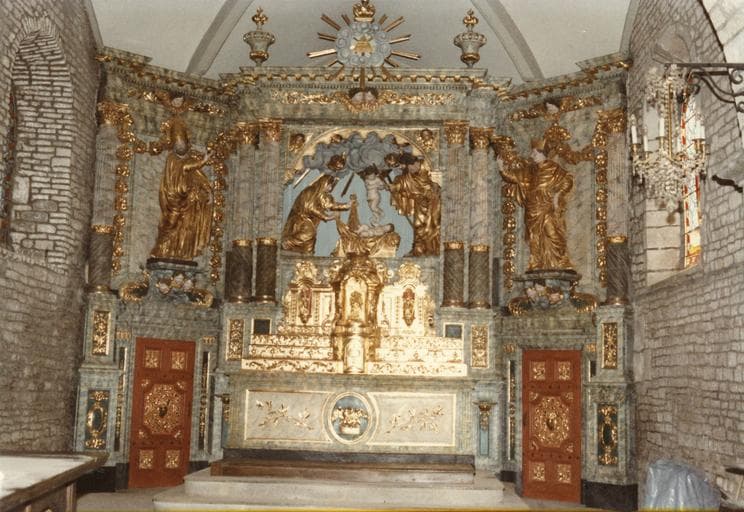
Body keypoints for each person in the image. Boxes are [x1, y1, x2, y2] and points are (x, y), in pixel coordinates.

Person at [497, 137, 575, 270]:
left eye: (535, 153)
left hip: (547, 207)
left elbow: (568, 180)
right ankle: (536, 262)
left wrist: (558, 195)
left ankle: (561, 260)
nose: (532, 155)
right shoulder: (529, 170)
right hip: (532, 208)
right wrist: (501, 167)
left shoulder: (554, 169)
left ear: (543, 153)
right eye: (532, 153)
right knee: (534, 237)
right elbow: (513, 177)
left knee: (553, 233)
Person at [150, 116, 212, 261]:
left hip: (188, 202)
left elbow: (200, 179)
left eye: (182, 143)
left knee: (187, 227)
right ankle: (160, 249)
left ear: (187, 143)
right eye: (177, 143)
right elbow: (184, 168)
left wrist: (207, 192)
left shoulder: (190, 159)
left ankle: (181, 252)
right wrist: (203, 161)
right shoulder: (172, 159)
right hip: (173, 199)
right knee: (170, 224)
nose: (180, 146)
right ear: (173, 144)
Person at [388, 152, 441, 256]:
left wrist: (431, 192)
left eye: (407, 168)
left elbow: (436, 185)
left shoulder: (427, 166)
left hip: (435, 203)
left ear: (412, 163)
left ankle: (433, 249)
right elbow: (405, 182)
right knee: (418, 225)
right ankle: (419, 250)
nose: (409, 171)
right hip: (420, 203)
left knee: (433, 225)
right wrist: (394, 187)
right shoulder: (410, 174)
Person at [281, 173, 350, 253]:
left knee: (310, 241)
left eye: (331, 186)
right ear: (324, 183)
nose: (330, 188)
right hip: (301, 219)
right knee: (309, 233)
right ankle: (287, 243)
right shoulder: (310, 191)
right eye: (329, 185)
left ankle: (308, 255)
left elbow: (329, 204)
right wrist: (327, 217)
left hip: (311, 221)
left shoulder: (321, 195)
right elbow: (310, 207)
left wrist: (346, 205)